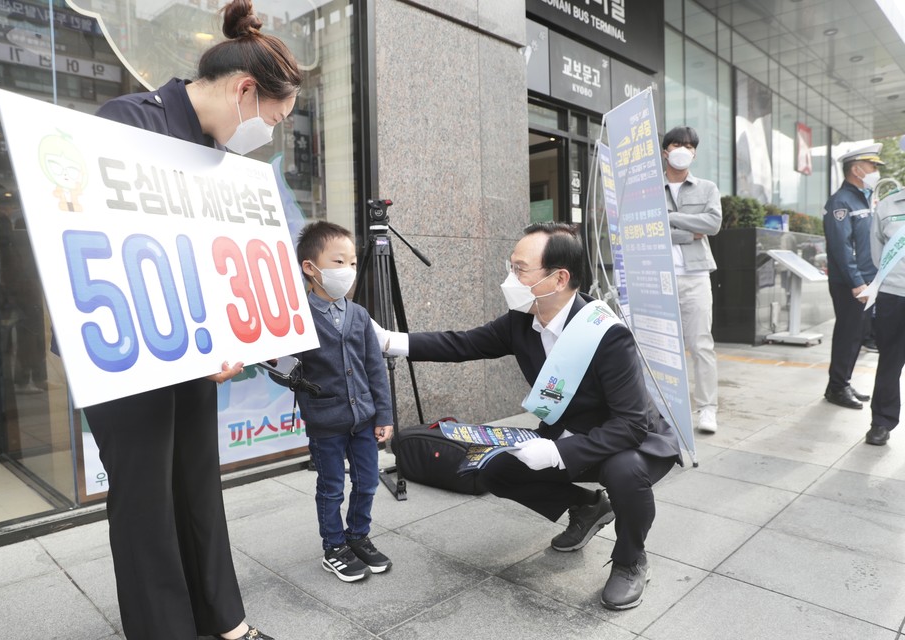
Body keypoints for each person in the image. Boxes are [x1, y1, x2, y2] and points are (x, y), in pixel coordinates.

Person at [85, 2, 301, 638]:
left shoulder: (220, 158)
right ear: (244, 90)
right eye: (274, 118)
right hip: (131, 351)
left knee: (199, 484)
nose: (271, 132)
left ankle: (223, 620)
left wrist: (235, 336)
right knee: (146, 501)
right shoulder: (128, 121)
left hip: (196, 355)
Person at [382, 223, 682, 610]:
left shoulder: (606, 334)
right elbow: (462, 343)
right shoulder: (522, 320)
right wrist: (392, 341)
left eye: (520, 270)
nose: (511, 279)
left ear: (559, 278)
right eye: (510, 267)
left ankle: (630, 560)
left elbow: (630, 425)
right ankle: (588, 507)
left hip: (627, 442)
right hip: (564, 434)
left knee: (624, 472)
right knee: (494, 471)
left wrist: (560, 455)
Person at [290, 221, 394, 582]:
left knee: (367, 482)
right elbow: (280, 361)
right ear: (311, 268)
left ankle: (358, 535)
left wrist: (385, 414)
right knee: (331, 487)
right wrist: (294, 376)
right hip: (325, 421)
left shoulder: (359, 314)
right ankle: (333, 546)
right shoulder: (297, 316)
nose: (348, 271)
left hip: (363, 418)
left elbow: (374, 367)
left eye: (352, 262)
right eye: (339, 262)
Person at [661, 126, 723, 434]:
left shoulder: (707, 188)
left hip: (696, 276)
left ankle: (707, 409)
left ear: (695, 152)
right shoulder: (650, 187)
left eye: (689, 146)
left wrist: (669, 219)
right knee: (663, 345)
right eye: (677, 144)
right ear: (665, 150)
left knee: (701, 344)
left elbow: (712, 224)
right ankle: (668, 406)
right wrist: (689, 232)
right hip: (658, 276)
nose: (683, 150)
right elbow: (646, 227)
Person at [822, 144, 883, 410]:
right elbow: (841, 247)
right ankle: (837, 387)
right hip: (850, 282)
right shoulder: (840, 201)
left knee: (857, 335)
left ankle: (840, 383)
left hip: (866, 280)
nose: (875, 171)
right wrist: (857, 282)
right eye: (872, 166)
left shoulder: (864, 198)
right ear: (856, 169)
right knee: (848, 334)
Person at [864, 185, 905, 446]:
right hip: (894, 294)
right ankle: (881, 421)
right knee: (890, 360)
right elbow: (876, 250)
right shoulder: (888, 205)